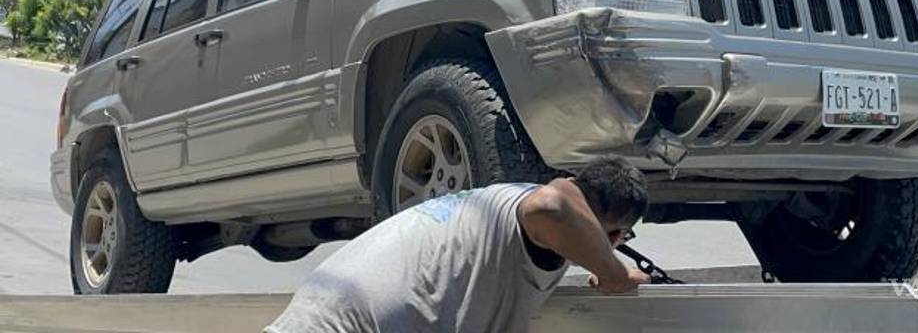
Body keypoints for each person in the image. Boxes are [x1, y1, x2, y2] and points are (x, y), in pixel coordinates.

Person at [265, 155, 652, 333]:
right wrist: (614, 273)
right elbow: (554, 206)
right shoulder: (540, 207)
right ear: (612, 234)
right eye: (619, 238)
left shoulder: (496, 210)